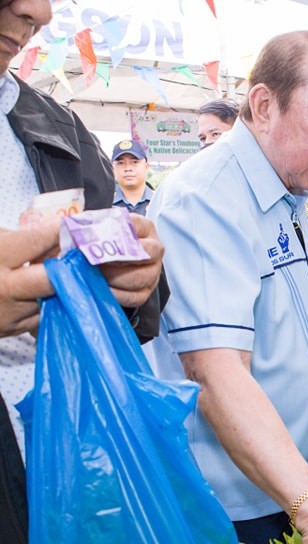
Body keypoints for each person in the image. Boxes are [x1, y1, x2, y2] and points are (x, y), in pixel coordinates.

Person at [148, 30, 308, 543]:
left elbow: (294, 323)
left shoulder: (294, 186)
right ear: (264, 105)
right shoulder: (206, 201)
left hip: (300, 479)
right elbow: (213, 372)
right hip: (242, 503)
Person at [1, 1, 165, 541]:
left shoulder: (59, 127)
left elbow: (138, 310)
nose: (39, 12)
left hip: (70, 469)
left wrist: (136, 284)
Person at [111, 138, 152, 216]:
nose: (128, 168)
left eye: (134, 162)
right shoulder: (105, 206)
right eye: (120, 163)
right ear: (113, 169)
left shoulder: (160, 202)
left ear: (146, 166)